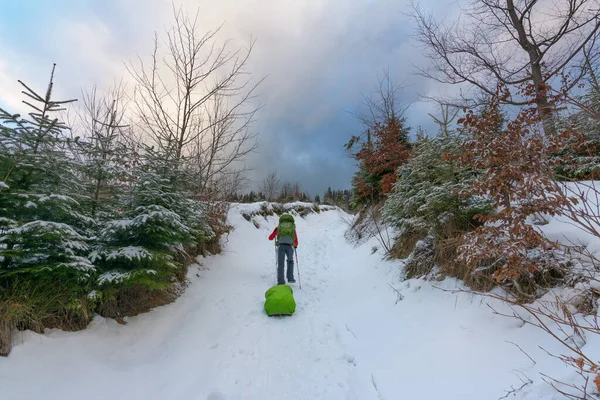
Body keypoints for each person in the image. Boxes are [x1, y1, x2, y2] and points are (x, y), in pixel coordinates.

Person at [268, 214, 299, 285]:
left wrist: (275, 233)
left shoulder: (279, 227)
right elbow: (295, 238)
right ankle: (290, 278)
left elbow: (270, 238)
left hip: (281, 246)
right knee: (290, 261)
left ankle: (281, 281)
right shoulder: (292, 227)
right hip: (290, 246)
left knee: (280, 264)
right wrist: (295, 245)